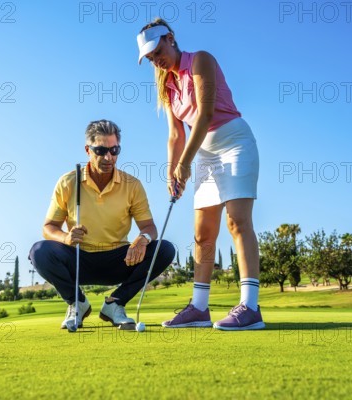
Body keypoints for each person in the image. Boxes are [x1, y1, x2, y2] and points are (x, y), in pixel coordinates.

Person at [136, 19, 264, 330]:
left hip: (233, 141)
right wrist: (172, 169)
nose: (156, 59)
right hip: (203, 151)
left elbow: (205, 115)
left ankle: (250, 306)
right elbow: (175, 136)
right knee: (203, 233)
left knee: (237, 221)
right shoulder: (167, 84)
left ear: (171, 38)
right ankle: (199, 307)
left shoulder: (201, 60)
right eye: (150, 57)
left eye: (157, 51)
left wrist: (185, 163)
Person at [29, 119, 175, 331]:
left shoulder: (132, 185)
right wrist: (66, 238)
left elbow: (149, 227)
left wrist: (142, 240)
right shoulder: (68, 182)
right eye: (101, 150)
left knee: (165, 249)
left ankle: (115, 304)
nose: (109, 157)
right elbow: (48, 227)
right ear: (88, 150)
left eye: (114, 150)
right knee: (39, 251)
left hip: (119, 259)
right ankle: (77, 302)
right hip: (79, 259)